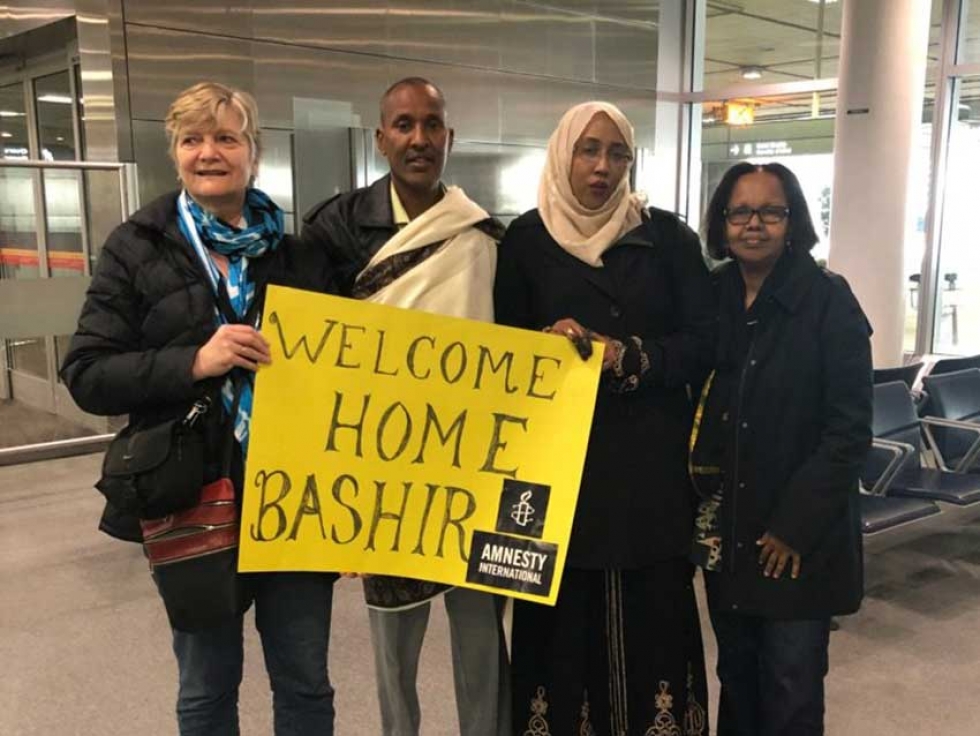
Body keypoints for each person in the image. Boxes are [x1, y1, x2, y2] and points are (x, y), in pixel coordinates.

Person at [61, 81, 337, 736]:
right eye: (192, 139)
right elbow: (87, 374)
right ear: (175, 153)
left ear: (253, 153)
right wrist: (193, 362)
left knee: (305, 683)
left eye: (225, 137)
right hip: (190, 488)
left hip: (292, 497)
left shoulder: (298, 256)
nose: (208, 152)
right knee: (207, 686)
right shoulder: (137, 247)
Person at [494, 101, 714, 736]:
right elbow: (502, 350)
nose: (602, 167)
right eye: (588, 150)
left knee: (655, 619)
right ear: (563, 153)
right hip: (558, 471)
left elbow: (704, 343)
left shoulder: (668, 239)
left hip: (649, 467)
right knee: (563, 628)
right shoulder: (526, 240)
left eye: (617, 153)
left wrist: (627, 354)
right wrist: (543, 343)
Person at [300, 76, 508, 736]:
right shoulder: (334, 229)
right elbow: (311, 356)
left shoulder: (485, 236)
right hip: (382, 470)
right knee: (393, 641)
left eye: (431, 125)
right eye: (404, 125)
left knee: (481, 630)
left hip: (470, 465)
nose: (419, 139)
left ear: (450, 137)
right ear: (381, 138)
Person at [692, 161, 873, 736]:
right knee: (738, 682)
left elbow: (848, 432)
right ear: (722, 222)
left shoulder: (828, 302)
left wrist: (794, 526)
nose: (754, 224)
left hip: (796, 541)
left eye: (771, 212)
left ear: (793, 222)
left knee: (791, 691)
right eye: (740, 211)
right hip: (729, 534)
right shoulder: (712, 296)